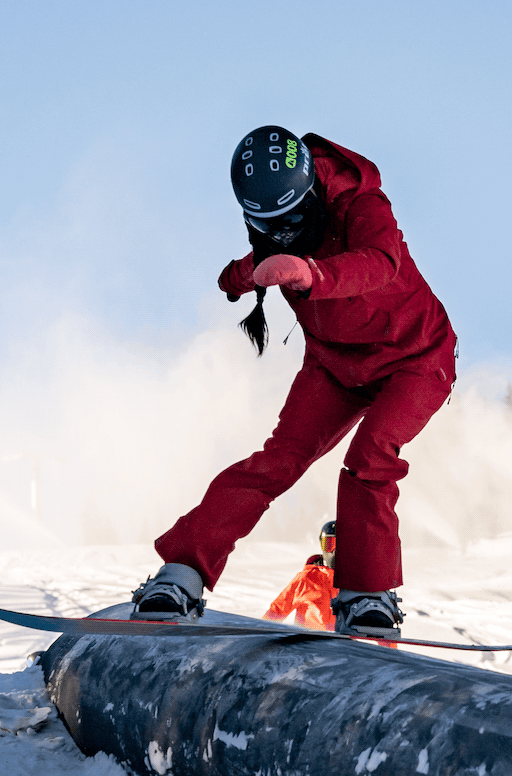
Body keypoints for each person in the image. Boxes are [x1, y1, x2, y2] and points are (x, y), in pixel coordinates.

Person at [131, 126, 457, 641]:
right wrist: (239, 278)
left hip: (415, 358)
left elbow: (381, 262)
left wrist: (313, 275)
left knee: (370, 457)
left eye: (293, 219)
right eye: (268, 225)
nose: (283, 233)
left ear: (311, 193)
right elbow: (258, 266)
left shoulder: (361, 202)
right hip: (333, 367)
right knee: (276, 460)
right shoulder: (275, 233)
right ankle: (182, 574)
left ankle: (367, 594)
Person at [263, 521, 338, 631]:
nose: (334, 551)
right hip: (308, 641)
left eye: (342, 545)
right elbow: (278, 610)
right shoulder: (307, 579)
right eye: (329, 544)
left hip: (341, 644)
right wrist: (262, 629)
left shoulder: (353, 582)